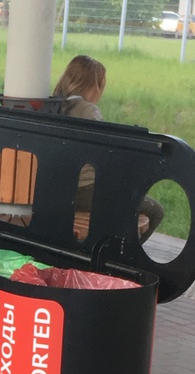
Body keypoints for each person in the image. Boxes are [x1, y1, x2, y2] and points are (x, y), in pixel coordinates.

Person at [53, 55, 164, 243]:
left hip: (55, 186)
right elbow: (103, 154)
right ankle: (123, 259)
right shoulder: (88, 111)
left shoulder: (53, 106)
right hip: (83, 190)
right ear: (93, 85)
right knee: (154, 210)